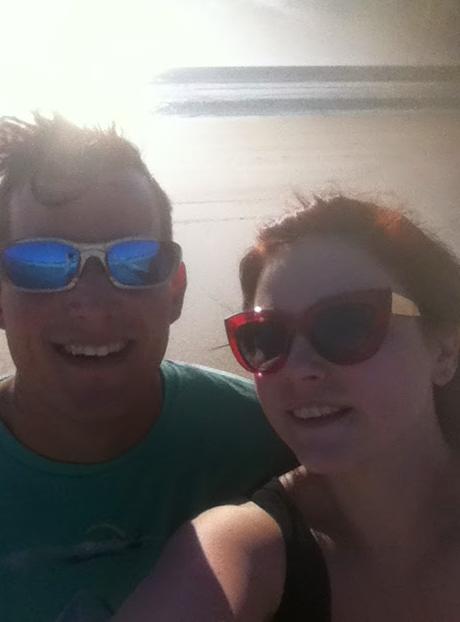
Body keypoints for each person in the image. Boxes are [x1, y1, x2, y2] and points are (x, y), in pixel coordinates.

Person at [0, 113, 294, 622]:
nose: (93, 306)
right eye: (42, 263)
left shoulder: (269, 440)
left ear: (176, 290)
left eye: (136, 261)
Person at [113, 194, 460, 622]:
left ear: (445, 350)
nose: (296, 369)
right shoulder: (243, 548)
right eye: (266, 337)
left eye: (347, 324)